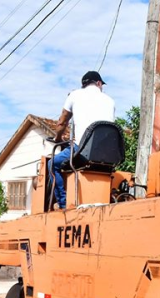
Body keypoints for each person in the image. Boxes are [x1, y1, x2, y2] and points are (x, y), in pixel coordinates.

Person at [48, 70, 116, 209]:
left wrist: (58, 138)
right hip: (109, 154)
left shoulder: (74, 95)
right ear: (98, 83)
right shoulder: (110, 101)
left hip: (83, 150)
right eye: (102, 84)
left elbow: (62, 122)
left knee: (52, 164)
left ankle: (63, 204)